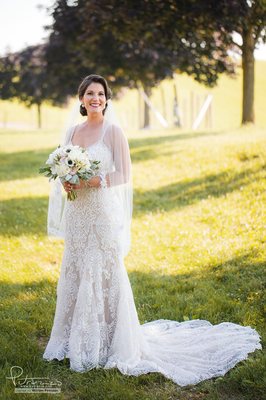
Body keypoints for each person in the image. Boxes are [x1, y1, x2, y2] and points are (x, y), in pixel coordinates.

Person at [43, 74, 262, 387]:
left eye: (101, 94)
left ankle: (108, 340)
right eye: (90, 93)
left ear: (106, 99)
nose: (96, 99)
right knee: (76, 269)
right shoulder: (72, 131)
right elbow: (64, 170)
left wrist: (96, 181)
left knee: (104, 269)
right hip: (78, 214)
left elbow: (124, 174)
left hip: (102, 213)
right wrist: (67, 181)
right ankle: (72, 339)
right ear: (81, 99)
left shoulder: (113, 130)